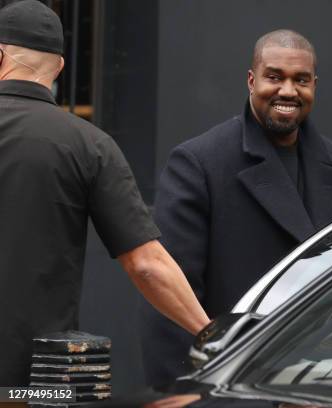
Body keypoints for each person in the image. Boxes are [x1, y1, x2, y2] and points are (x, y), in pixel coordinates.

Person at [139, 29, 332, 386]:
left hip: (320, 387)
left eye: (301, 80)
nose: (288, 91)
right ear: (251, 80)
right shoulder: (200, 163)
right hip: (232, 386)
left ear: (314, 85)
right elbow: (172, 295)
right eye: (274, 77)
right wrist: (184, 392)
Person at [0, 0, 209, 386]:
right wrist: (211, 334)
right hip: (35, 381)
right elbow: (147, 264)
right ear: (60, 66)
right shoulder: (90, 145)